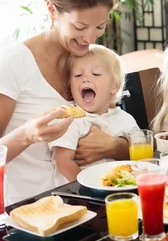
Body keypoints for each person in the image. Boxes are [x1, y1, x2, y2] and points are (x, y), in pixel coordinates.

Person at [0, 0, 129, 205]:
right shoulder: (13, 62)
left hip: (85, 204)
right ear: (52, 11)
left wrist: (114, 146)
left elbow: (114, 121)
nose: (89, 38)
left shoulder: (89, 59)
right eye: (79, 26)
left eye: (100, 27)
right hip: (31, 212)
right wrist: (27, 134)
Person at [48, 45, 140, 185]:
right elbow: (63, 163)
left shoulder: (125, 119)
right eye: (78, 75)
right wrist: (88, 187)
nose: (85, 79)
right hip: (79, 195)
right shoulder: (70, 120)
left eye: (96, 74)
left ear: (114, 86)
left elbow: (140, 151)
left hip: (119, 188)